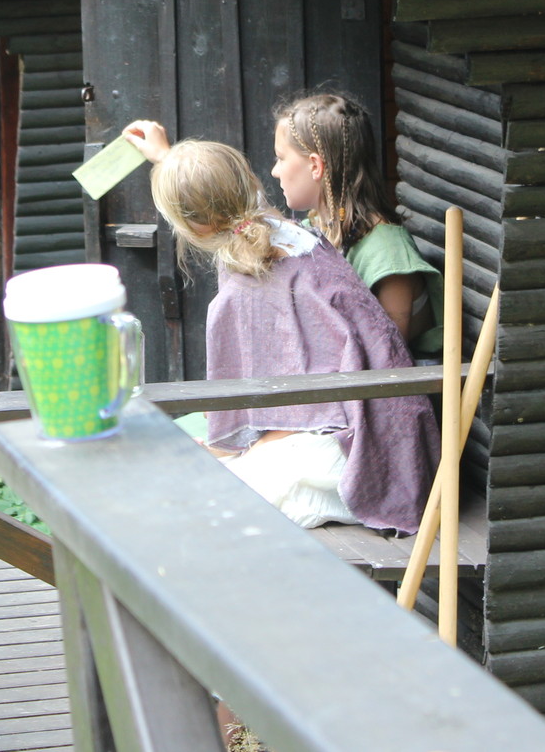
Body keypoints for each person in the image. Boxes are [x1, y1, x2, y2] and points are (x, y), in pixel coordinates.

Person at [133, 135, 436, 534]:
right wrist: (166, 156)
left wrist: (237, 454)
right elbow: (211, 190)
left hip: (357, 455)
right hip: (392, 434)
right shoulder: (288, 234)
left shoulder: (251, 284)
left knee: (190, 507)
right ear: (249, 183)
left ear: (191, 226)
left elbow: (312, 408)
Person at [128, 92, 445, 360]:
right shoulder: (312, 230)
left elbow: (387, 358)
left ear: (315, 166)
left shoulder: (387, 251)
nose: (274, 171)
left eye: (280, 157)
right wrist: (167, 159)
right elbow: (229, 209)